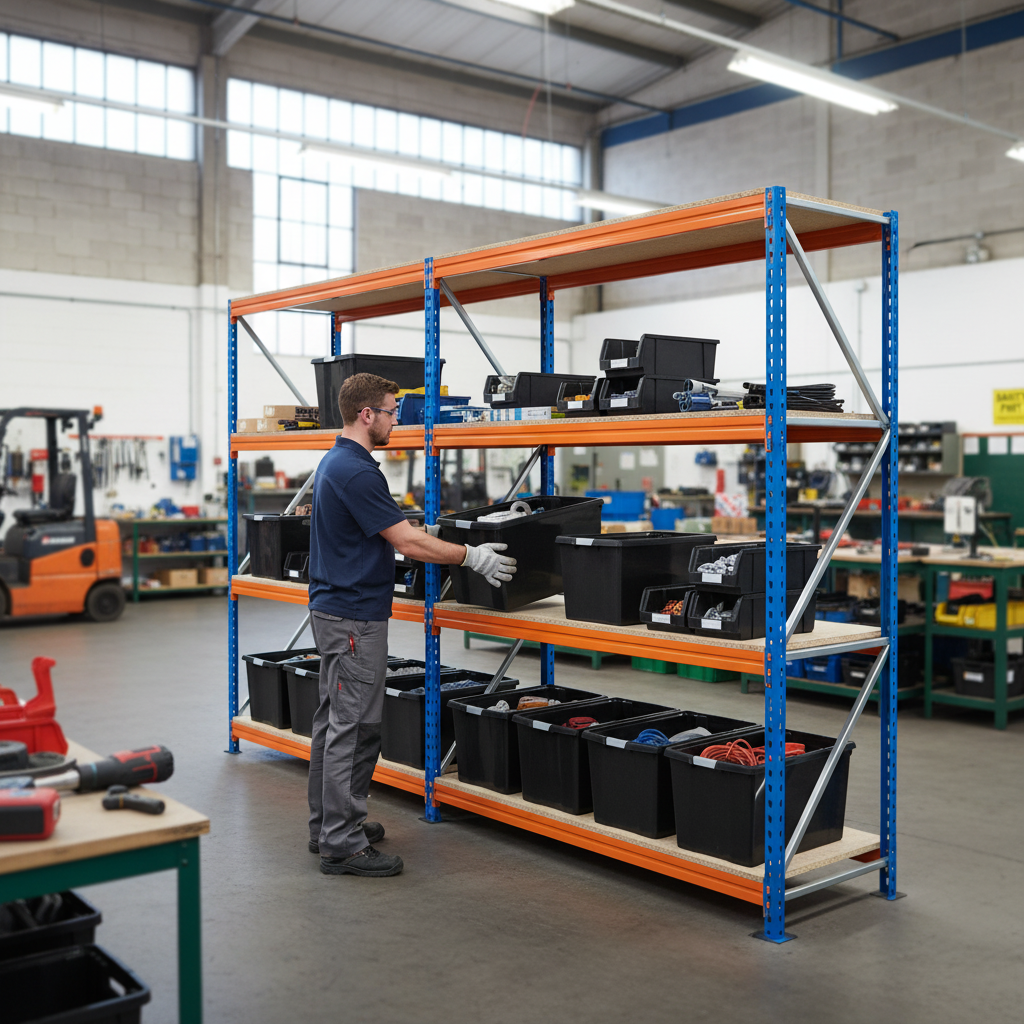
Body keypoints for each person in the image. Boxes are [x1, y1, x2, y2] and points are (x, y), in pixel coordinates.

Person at [306, 372, 517, 878]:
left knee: (333, 723)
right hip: (354, 618)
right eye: (390, 411)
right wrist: (471, 556)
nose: (395, 421)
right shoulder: (356, 470)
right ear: (366, 415)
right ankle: (342, 843)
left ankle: (328, 826)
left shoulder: (338, 462)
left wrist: (430, 533)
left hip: (337, 610)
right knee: (356, 728)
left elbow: (386, 530)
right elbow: (405, 543)